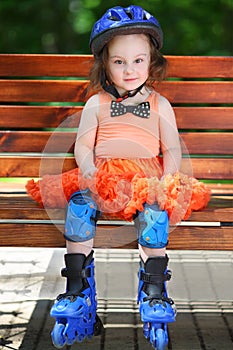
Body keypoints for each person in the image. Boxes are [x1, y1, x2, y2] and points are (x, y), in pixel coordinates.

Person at [26, 5, 210, 349]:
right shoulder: (95, 103)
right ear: (104, 64)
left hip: (145, 179)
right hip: (104, 177)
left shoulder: (159, 105)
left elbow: (171, 150)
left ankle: (155, 290)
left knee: (155, 215)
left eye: (138, 60)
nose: (129, 70)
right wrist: (89, 168)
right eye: (119, 61)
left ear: (151, 62)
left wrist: (167, 180)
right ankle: (76, 287)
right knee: (79, 208)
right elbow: (83, 146)